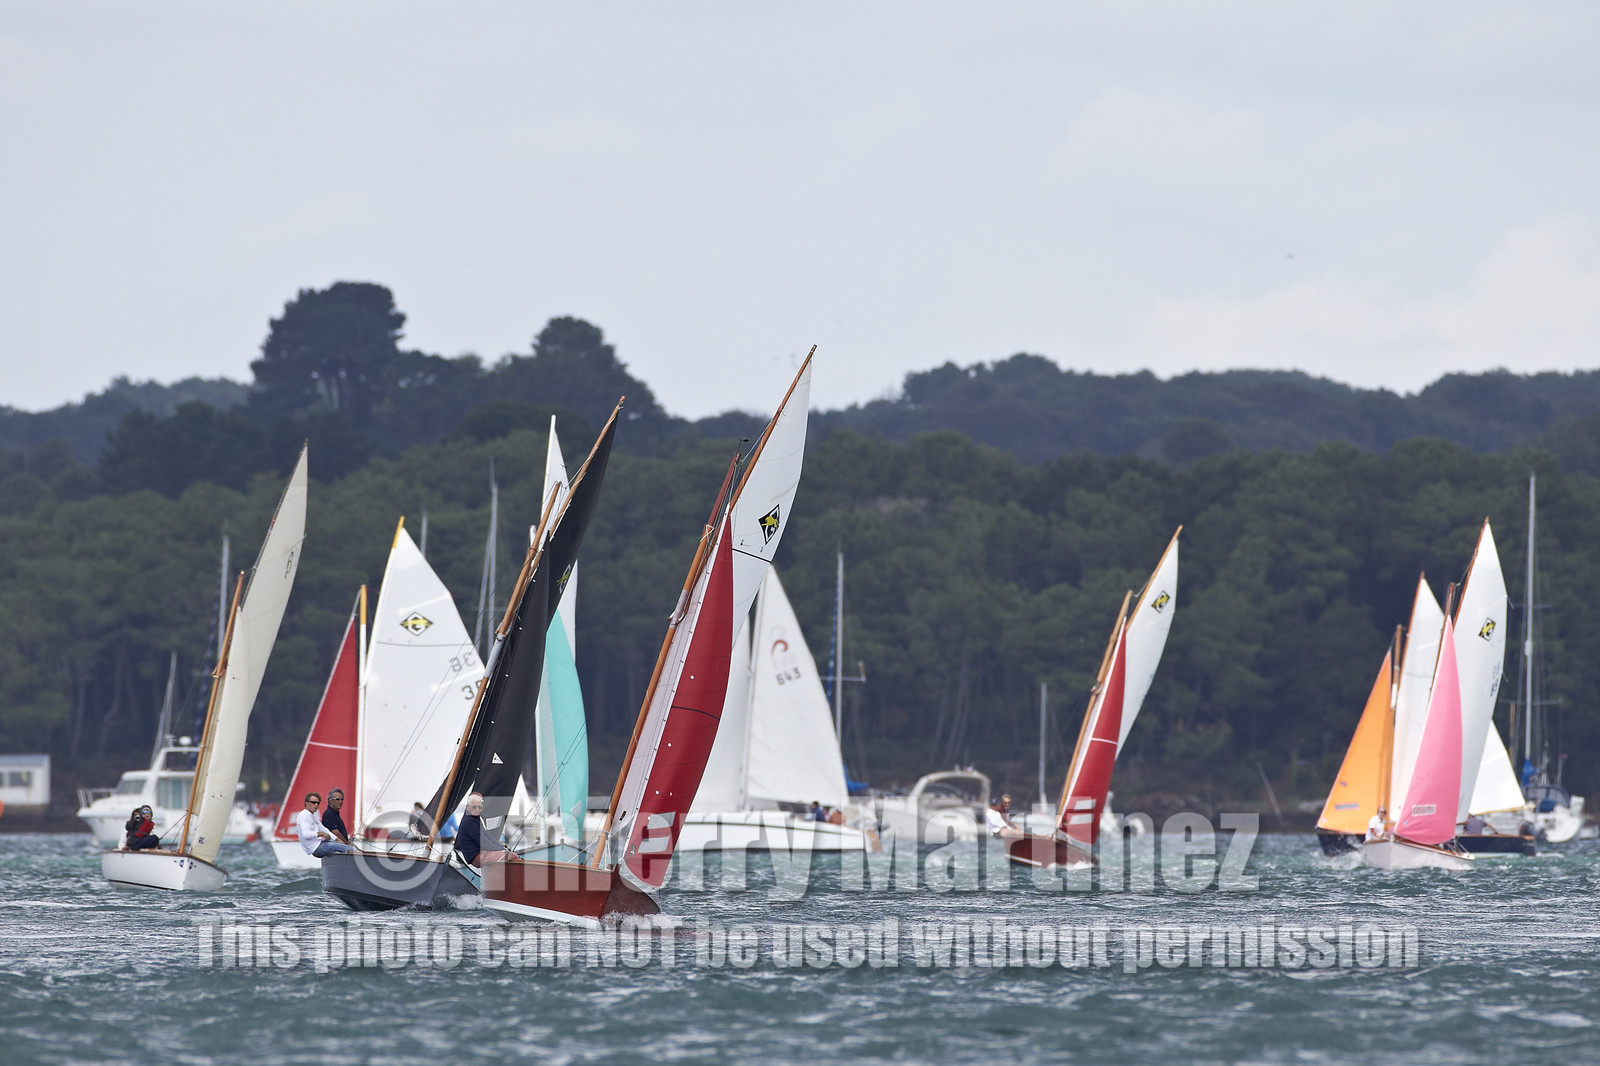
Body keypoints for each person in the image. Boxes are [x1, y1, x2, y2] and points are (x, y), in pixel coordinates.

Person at [453, 792, 509, 868]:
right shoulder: (469, 821)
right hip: (477, 857)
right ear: (467, 807)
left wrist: (501, 846)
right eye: (474, 807)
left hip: (480, 854)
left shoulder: (475, 818)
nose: (477, 809)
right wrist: (500, 849)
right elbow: (482, 841)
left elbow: (486, 835)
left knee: (509, 855)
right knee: (512, 856)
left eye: (479, 807)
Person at [296, 792, 352, 858]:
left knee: (345, 846)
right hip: (317, 848)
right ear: (306, 803)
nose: (316, 805)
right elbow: (306, 834)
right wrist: (321, 834)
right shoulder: (304, 815)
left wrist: (337, 839)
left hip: (320, 845)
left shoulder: (312, 816)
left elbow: (324, 829)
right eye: (313, 802)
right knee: (351, 849)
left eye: (318, 803)